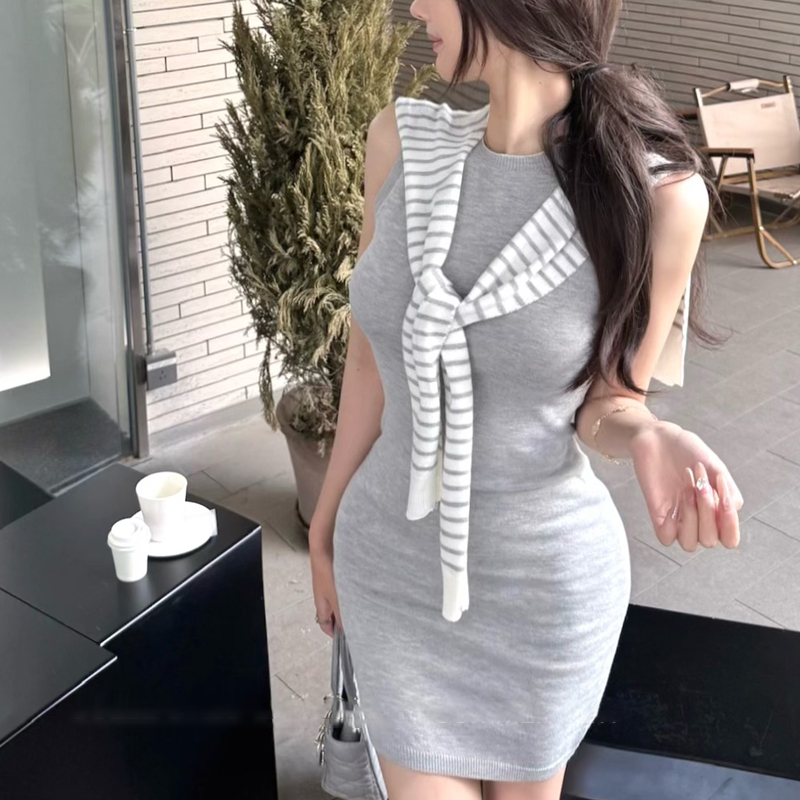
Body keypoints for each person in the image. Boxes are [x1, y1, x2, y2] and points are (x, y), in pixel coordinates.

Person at [309, 0, 744, 798]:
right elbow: (368, 358)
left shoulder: (657, 196)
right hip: (393, 575)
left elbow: (609, 403)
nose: (415, 7)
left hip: (542, 593)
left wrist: (649, 435)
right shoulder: (399, 143)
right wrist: (326, 524)